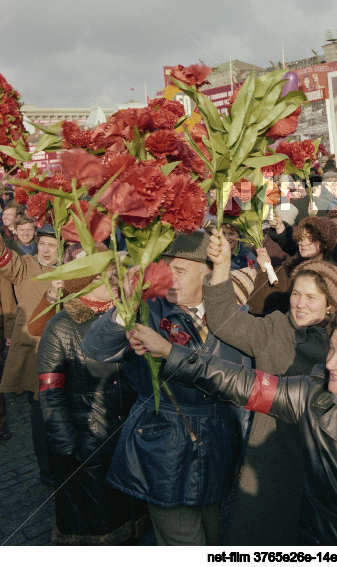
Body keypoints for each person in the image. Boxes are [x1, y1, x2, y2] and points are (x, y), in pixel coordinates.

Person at [128, 300, 337, 545]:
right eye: (330, 349)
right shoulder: (313, 397)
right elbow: (239, 382)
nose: (328, 362)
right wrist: (170, 353)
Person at [81, 230, 251, 546]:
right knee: (185, 543)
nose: (170, 278)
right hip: (161, 446)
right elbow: (95, 349)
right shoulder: (149, 309)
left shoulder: (235, 317)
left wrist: (244, 451)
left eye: (181, 271)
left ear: (209, 274)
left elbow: (243, 391)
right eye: (166, 268)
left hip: (217, 446)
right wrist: (124, 309)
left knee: (215, 536)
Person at [202, 230, 337, 544]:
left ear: (331, 306)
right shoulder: (274, 327)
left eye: (311, 298)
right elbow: (223, 319)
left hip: (323, 459)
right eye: (296, 293)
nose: (300, 304)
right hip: (270, 457)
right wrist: (222, 265)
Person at [36, 244, 140, 544]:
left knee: (129, 515)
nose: (118, 280)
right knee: (95, 524)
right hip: (87, 442)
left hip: (125, 434)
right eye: (110, 275)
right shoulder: (60, 327)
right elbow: (50, 392)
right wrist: (67, 444)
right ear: (90, 282)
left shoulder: (126, 316)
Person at [0, 223, 60, 485]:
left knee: (60, 416)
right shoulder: (24, 265)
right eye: (44, 244)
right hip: (35, 357)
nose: (46, 251)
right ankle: (47, 470)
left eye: (54, 246)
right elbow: (4, 257)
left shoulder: (72, 271)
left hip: (62, 359)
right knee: (40, 415)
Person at [250, 215, 337, 316]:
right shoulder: (288, 269)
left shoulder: (333, 273)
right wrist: (264, 271)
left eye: (310, 239)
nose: (303, 243)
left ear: (325, 243)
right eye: (301, 238)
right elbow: (256, 307)